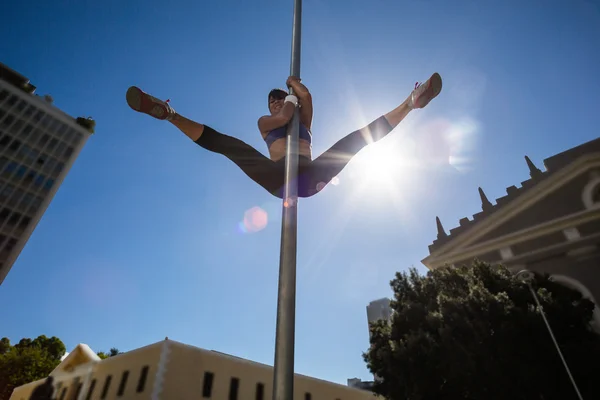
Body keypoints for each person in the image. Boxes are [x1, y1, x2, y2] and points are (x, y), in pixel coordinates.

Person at [125, 73, 442, 198]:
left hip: (308, 175)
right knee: (229, 146)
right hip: (278, 176)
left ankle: (411, 103)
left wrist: (294, 84)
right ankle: (169, 114)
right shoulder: (266, 122)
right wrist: (288, 101)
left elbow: (308, 99)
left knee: (356, 140)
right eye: (272, 100)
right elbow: (287, 114)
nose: (275, 102)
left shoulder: (303, 117)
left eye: (278, 97)